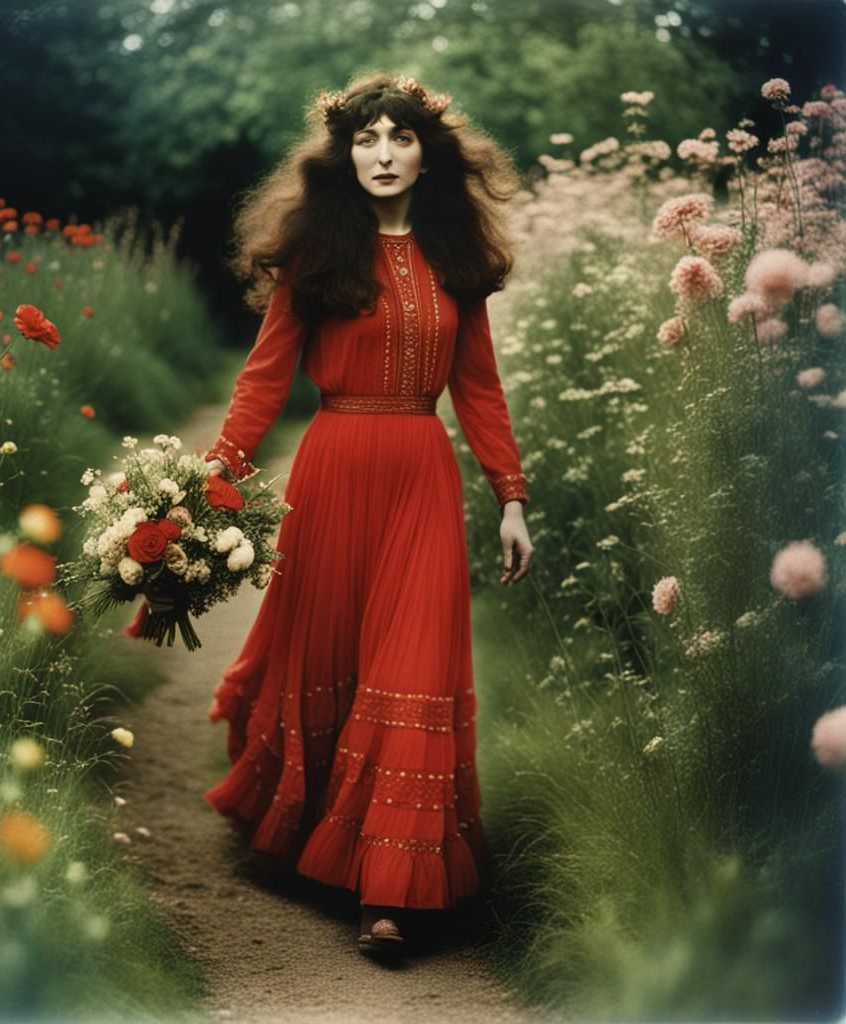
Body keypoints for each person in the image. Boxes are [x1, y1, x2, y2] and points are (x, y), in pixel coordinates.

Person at [200, 71, 534, 957]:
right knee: (329, 651)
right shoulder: (316, 256)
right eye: (366, 139)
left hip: (423, 474)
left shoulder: (458, 261)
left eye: (401, 138)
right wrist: (213, 480)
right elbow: (265, 378)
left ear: (429, 156)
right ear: (345, 156)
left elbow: (481, 391)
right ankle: (307, 835)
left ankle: (388, 895)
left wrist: (511, 496)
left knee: (412, 669)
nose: (382, 154)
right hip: (333, 469)